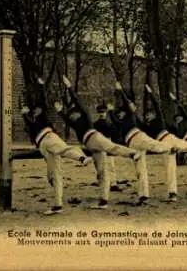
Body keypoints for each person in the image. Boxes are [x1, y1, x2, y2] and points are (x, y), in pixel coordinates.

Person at [55, 76, 142, 209]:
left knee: (112, 147)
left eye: (75, 112)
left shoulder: (85, 115)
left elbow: (77, 102)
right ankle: (104, 201)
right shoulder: (72, 122)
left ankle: (133, 154)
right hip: (90, 145)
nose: (73, 115)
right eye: (71, 114)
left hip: (95, 137)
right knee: (101, 172)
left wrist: (69, 87)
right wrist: (60, 111)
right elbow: (66, 118)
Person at [21, 77, 93, 215]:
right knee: (54, 176)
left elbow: (43, 100)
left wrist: (41, 86)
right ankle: (58, 205)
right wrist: (24, 114)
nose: (35, 111)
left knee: (63, 149)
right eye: (33, 110)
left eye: (37, 109)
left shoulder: (43, 116)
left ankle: (82, 158)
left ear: (41, 110)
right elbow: (29, 124)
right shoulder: (31, 120)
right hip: (43, 147)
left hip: (49, 137)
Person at [111, 82, 176, 202]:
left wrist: (121, 91)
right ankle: (143, 195)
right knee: (140, 170)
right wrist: (110, 112)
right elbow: (115, 121)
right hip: (132, 144)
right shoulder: (137, 123)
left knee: (152, 144)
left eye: (120, 112)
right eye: (146, 115)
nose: (119, 114)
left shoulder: (131, 116)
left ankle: (170, 148)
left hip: (138, 137)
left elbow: (128, 105)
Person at [93, 102, 122, 192]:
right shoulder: (96, 124)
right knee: (101, 165)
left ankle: (113, 183)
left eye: (103, 112)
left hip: (108, 143)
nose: (101, 114)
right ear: (98, 113)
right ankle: (104, 182)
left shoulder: (109, 124)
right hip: (99, 144)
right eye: (100, 112)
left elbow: (115, 133)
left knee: (110, 164)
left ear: (105, 112)